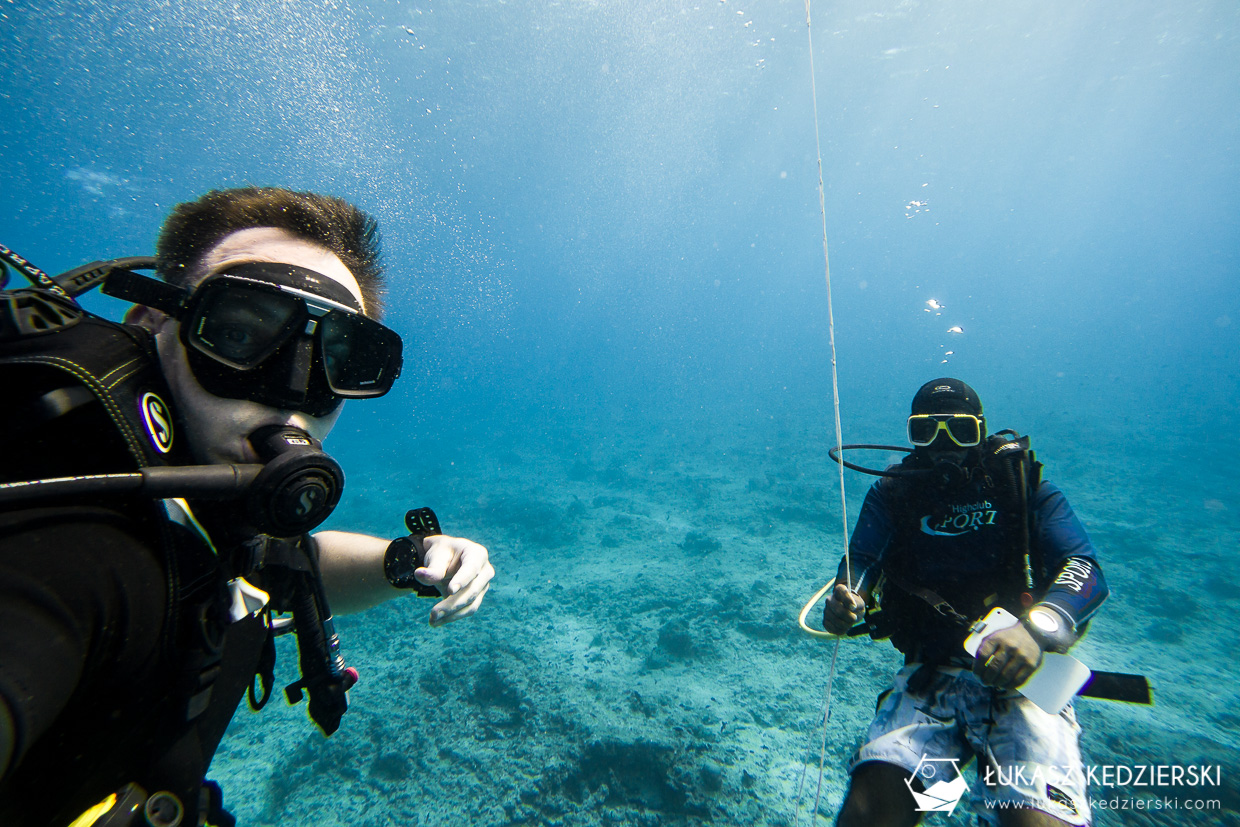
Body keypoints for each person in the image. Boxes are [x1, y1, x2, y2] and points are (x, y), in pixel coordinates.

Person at [0, 187, 495, 826]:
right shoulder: (75, 535)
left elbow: (281, 561)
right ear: (152, 325)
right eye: (239, 332)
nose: (292, 391)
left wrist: (404, 559)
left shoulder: (189, 489)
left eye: (338, 359)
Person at [821, 378, 1108, 827]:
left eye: (959, 430)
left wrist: (1036, 630)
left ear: (980, 429)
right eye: (927, 432)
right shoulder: (893, 492)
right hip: (928, 676)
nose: (944, 446)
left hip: (1023, 680)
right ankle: (941, 785)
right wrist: (850, 593)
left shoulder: (1020, 483)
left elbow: (1083, 567)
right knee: (866, 814)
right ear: (912, 435)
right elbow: (862, 559)